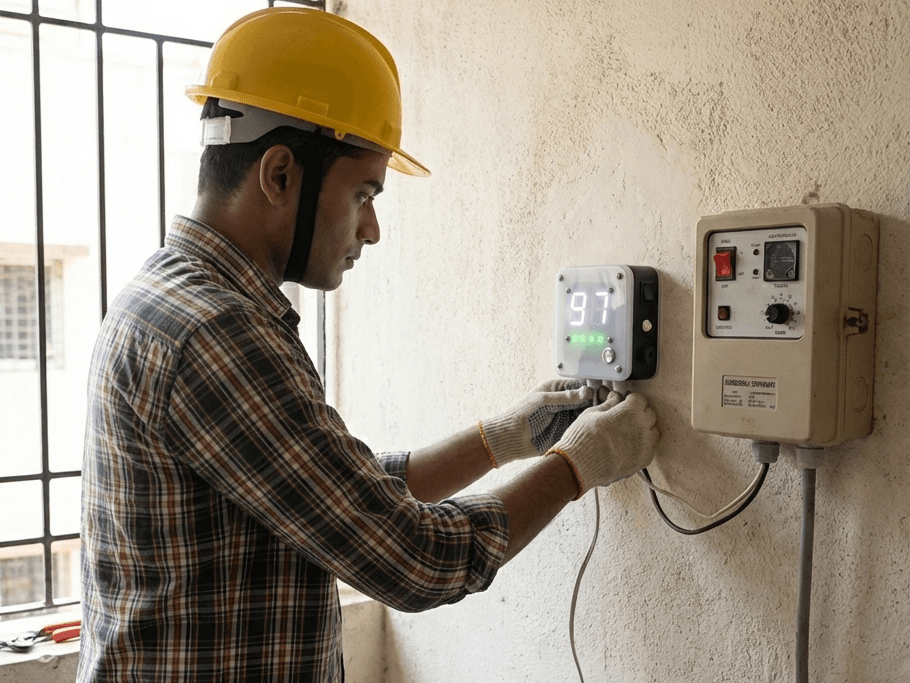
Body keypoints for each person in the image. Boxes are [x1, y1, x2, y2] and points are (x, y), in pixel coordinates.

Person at [78, 8, 659, 682]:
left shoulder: (174, 296)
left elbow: (328, 493)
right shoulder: (219, 333)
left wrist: (502, 437)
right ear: (280, 175)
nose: (372, 229)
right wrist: (576, 465)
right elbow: (416, 561)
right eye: (363, 193)